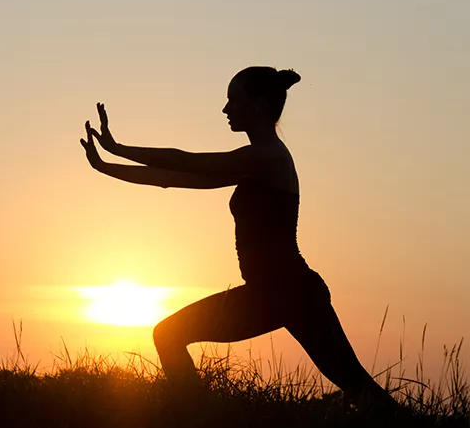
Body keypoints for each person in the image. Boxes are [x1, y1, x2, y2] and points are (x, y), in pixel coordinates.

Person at [79, 66, 395, 407]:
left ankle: (197, 420)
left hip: (290, 292)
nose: (226, 109)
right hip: (275, 293)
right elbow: (172, 176)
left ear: (258, 104)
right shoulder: (253, 163)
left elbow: (187, 162)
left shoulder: (267, 157)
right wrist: (106, 165)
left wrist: (119, 148)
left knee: (359, 388)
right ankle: (199, 419)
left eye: (233, 100)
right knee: (360, 389)